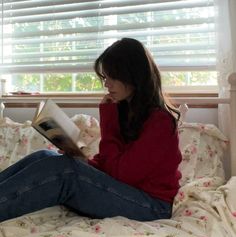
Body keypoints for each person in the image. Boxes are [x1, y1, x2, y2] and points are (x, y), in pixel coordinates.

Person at [0, 38, 182, 222]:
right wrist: (81, 158)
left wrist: (109, 119)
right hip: (130, 191)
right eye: (105, 77)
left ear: (134, 76)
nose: (106, 84)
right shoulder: (128, 110)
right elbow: (111, 164)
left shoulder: (160, 122)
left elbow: (121, 174)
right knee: (45, 156)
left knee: (67, 172)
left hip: (152, 206)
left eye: (113, 77)